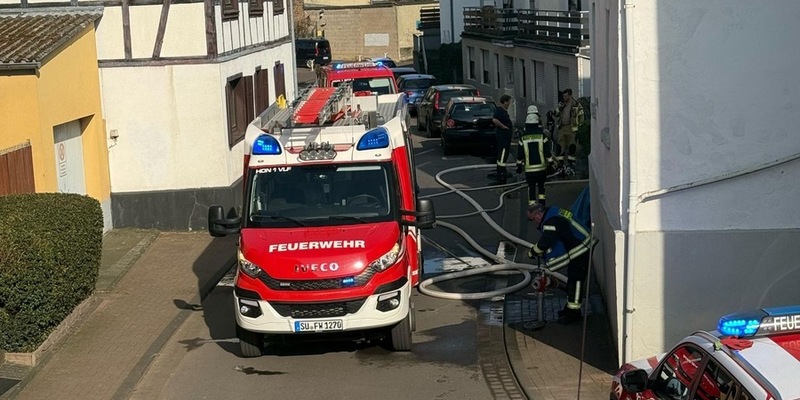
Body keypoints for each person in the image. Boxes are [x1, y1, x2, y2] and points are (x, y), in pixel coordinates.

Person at [526, 202, 593, 323]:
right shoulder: (554, 212)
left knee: (576, 281)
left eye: (533, 219)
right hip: (581, 244)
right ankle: (569, 309)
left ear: (538, 214)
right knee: (573, 279)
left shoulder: (550, 222)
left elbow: (545, 242)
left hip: (581, 248)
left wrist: (533, 252)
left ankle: (574, 314)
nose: (535, 223)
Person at [516, 106, 557, 206]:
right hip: (542, 169)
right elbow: (548, 154)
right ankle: (542, 207)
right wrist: (551, 164)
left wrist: (519, 166)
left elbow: (520, 155)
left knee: (531, 188)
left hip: (529, 171)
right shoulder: (542, 137)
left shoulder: (522, 138)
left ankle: (532, 208)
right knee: (541, 188)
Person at [552, 89, 585, 172]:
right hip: (562, 127)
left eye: (566, 96)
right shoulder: (562, 104)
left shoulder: (576, 105)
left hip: (572, 128)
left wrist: (580, 126)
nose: (564, 97)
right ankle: (560, 163)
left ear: (570, 96)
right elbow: (557, 112)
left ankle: (571, 163)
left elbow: (581, 116)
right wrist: (553, 113)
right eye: (563, 96)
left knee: (572, 146)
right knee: (560, 146)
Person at [491, 94, 513, 185]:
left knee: (505, 153)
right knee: (503, 153)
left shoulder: (504, 111)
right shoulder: (500, 111)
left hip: (506, 137)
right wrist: (504, 127)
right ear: (504, 102)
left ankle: (502, 170)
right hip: (503, 137)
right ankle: (501, 171)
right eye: (508, 102)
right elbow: (495, 120)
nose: (509, 104)